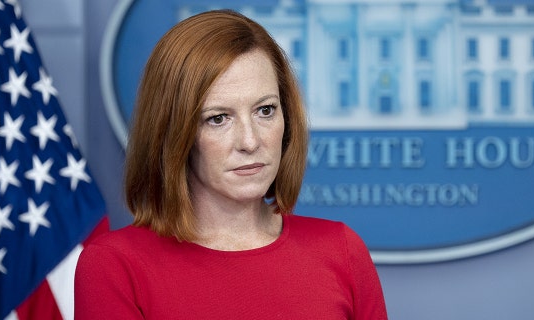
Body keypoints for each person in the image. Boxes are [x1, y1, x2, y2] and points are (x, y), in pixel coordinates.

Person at [75, 9, 387, 319]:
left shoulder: (341, 251)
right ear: (172, 132)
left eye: (265, 110)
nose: (250, 142)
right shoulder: (115, 265)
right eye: (218, 118)